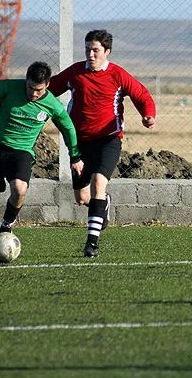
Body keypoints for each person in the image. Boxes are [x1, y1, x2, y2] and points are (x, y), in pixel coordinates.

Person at [50, 29, 156, 258]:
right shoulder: (76, 73)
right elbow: (49, 90)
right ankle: (102, 203)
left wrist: (148, 115)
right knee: (82, 198)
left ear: (107, 51)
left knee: (99, 181)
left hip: (109, 139)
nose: (90, 54)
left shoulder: (118, 75)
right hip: (79, 143)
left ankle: (92, 244)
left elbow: (142, 95)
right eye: (88, 49)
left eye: (96, 50)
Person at [0, 61, 84, 258]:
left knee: (20, 189)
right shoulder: (9, 87)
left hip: (21, 152)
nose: (33, 93)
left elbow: (68, 128)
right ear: (26, 80)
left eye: (38, 90)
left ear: (47, 85)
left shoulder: (52, 105)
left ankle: (6, 227)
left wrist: (75, 156)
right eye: (30, 87)